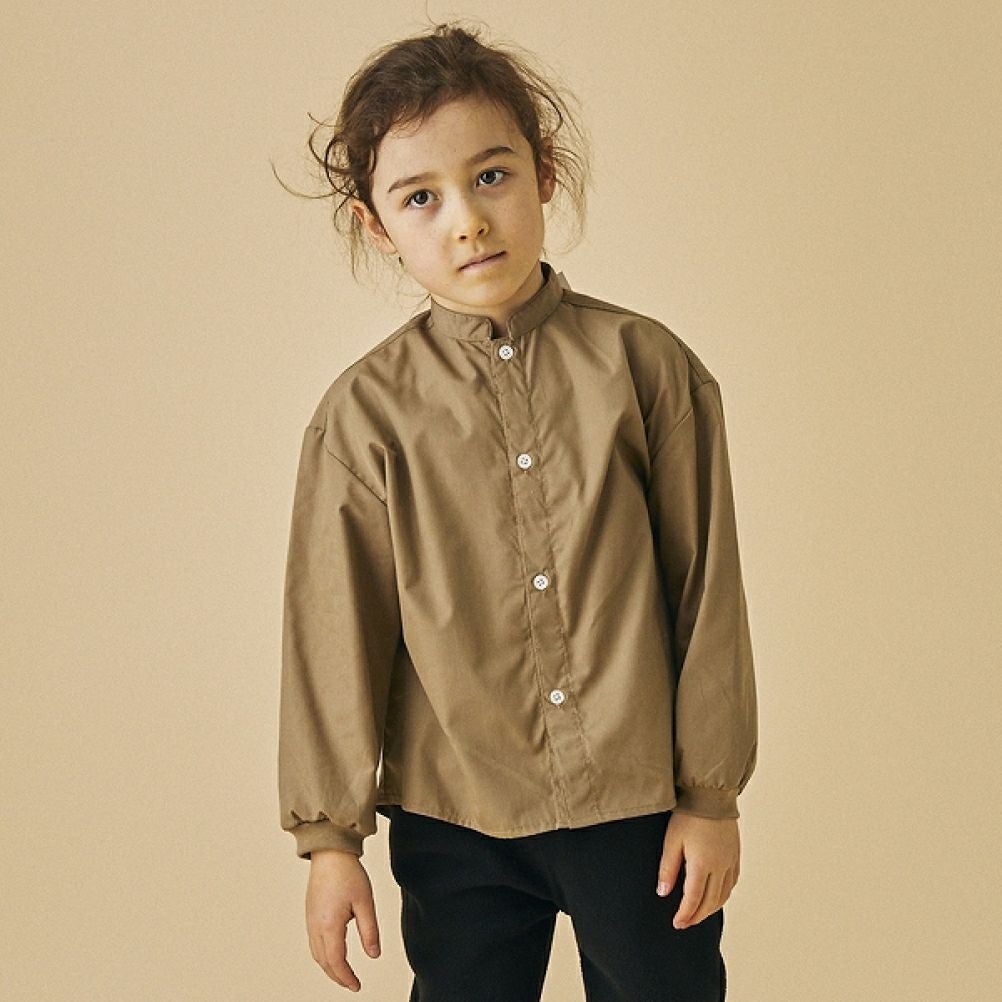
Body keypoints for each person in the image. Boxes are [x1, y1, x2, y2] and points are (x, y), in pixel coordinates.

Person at [277, 20, 758, 1002]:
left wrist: (711, 796)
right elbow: (335, 634)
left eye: (490, 176)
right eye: (421, 197)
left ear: (543, 174)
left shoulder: (646, 368)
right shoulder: (363, 417)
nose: (467, 221)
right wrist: (331, 842)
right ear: (377, 226)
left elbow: (706, 591)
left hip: (638, 809)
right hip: (455, 816)